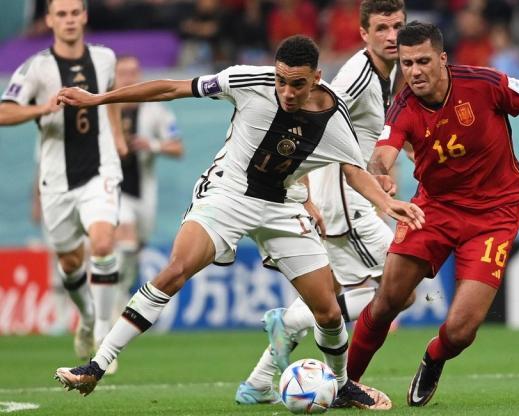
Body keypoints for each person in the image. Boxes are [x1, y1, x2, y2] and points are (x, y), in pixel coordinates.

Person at [53, 35, 425, 410]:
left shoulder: (333, 115)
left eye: (297, 83)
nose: (287, 91)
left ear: (316, 77)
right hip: (228, 195)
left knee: (327, 310)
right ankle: (96, 366)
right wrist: (98, 99)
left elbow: (352, 170)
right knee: (176, 270)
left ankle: (342, 385)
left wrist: (385, 202)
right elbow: (172, 87)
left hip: (282, 206)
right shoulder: (249, 81)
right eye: (281, 80)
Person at [345, 21, 519, 407]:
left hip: (494, 216)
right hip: (434, 209)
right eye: (407, 63)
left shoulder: (483, 84)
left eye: (423, 61)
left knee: (462, 331)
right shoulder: (403, 108)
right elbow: (382, 157)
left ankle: (434, 356)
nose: (414, 71)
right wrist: (381, 178)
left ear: (443, 59)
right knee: (387, 302)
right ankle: (345, 383)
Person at [234, 0, 410, 406]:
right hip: (343, 199)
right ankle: (290, 322)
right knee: (402, 284)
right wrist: (308, 194)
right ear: (363, 33)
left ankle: (257, 383)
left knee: (334, 295)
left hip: (351, 195)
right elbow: (311, 121)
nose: (392, 37)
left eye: (398, 27)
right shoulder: (357, 76)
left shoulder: (389, 72)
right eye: (382, 28)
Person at [0, 0, 125, 363]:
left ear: (84, 17)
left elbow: (112, 95)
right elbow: (5, 110)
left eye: (75, 13)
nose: (69, 20)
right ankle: (86, 319)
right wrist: (41, 109)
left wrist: (116, 134)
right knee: (70, 262)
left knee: (102, 242)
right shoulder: (36, 69)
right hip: (56, 181)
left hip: (101, 169)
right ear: (50, 20)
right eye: (62, 15)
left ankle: (103, 331)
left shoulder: (105, 58)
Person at [112, 55, 184, 319]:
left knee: (135, 247)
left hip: (145, 193)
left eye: (133, 72)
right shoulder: (105, 108)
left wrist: (152, 145)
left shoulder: (155, 110)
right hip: (114, 191)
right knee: (126, 241)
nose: (129, 78)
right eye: (123, 73)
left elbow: (177, 146)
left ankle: (123, 288)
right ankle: (115, 302)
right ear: (114, 76)